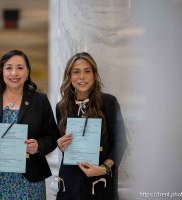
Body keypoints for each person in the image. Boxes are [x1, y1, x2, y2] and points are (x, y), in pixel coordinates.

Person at [0, 49, 59, 200]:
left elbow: (53, 135)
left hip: (28, 180)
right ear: (2, 71)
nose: (14, 73)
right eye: (9, 68)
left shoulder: (40, 100)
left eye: (20, 68)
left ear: (27, 72)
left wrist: (39, 145)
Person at [56, 52, 127, 200]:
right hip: (70, 183)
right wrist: (61, 145)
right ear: (69, 76)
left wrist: (104, 168)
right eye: (76, 72)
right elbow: (66, 146)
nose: (82, 76)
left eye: (87, 71)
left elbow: (120, 142)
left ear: (94, 75)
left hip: (100, 182)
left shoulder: (108, 102)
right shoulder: (61, 106)